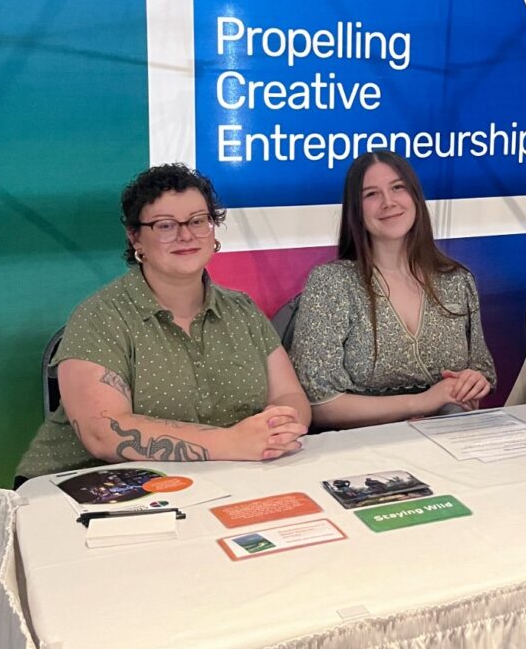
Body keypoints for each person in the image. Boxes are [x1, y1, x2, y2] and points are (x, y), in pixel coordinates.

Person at [16, 164, 309, 481]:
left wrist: (278, 429)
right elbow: (103, 433)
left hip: (218, 483)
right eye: (166, 225)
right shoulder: (100, 317)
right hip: (81, 492)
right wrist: (233, 442)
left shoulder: (243, 310)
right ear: (135, 238)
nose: (186, 235)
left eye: (198, 221)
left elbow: (289, 397)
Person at [291, 151, 496, 428]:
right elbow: (319, 405)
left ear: (414, 197)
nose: (388, 202)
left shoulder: (457, 281)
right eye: (371, 194)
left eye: (397, 187)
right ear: (357, 211)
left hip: (449, 440)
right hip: (363, 450)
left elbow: (481, 371)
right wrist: (421, 402)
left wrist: (472, 384)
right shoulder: (332, 283)